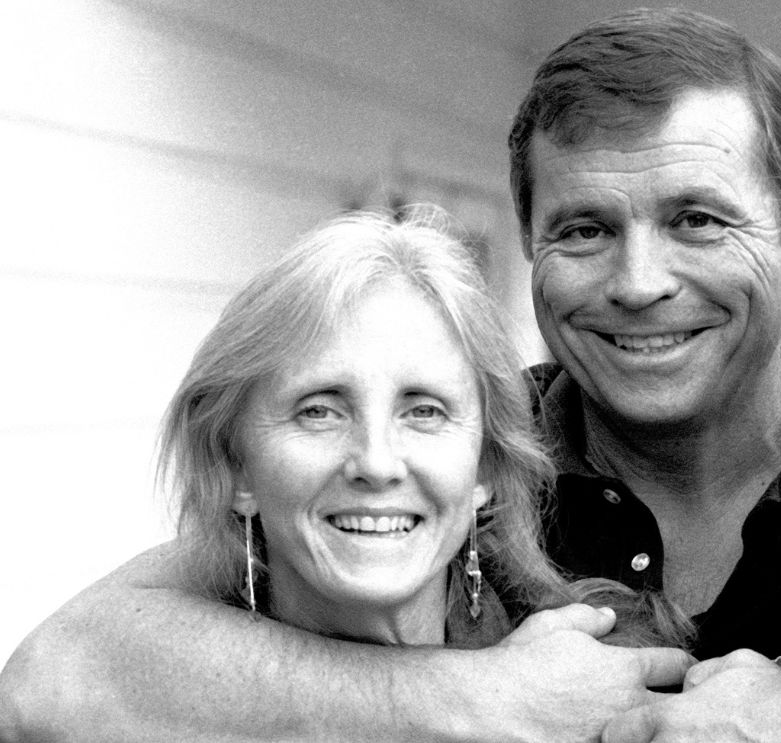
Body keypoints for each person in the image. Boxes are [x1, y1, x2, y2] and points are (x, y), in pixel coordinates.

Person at [4, 8, 781, 743]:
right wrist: (472, 700)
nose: (637, 281)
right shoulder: (461, 463)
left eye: (698, 219)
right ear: (530, 245)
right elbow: (65, 673)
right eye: (583, 229)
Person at [151, 206, 683, 650]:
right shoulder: (133, 703)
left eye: (423, 411)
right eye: (319, 410)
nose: (377, 464)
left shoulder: (609, 672)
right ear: (235, 466)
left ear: (485, 467)